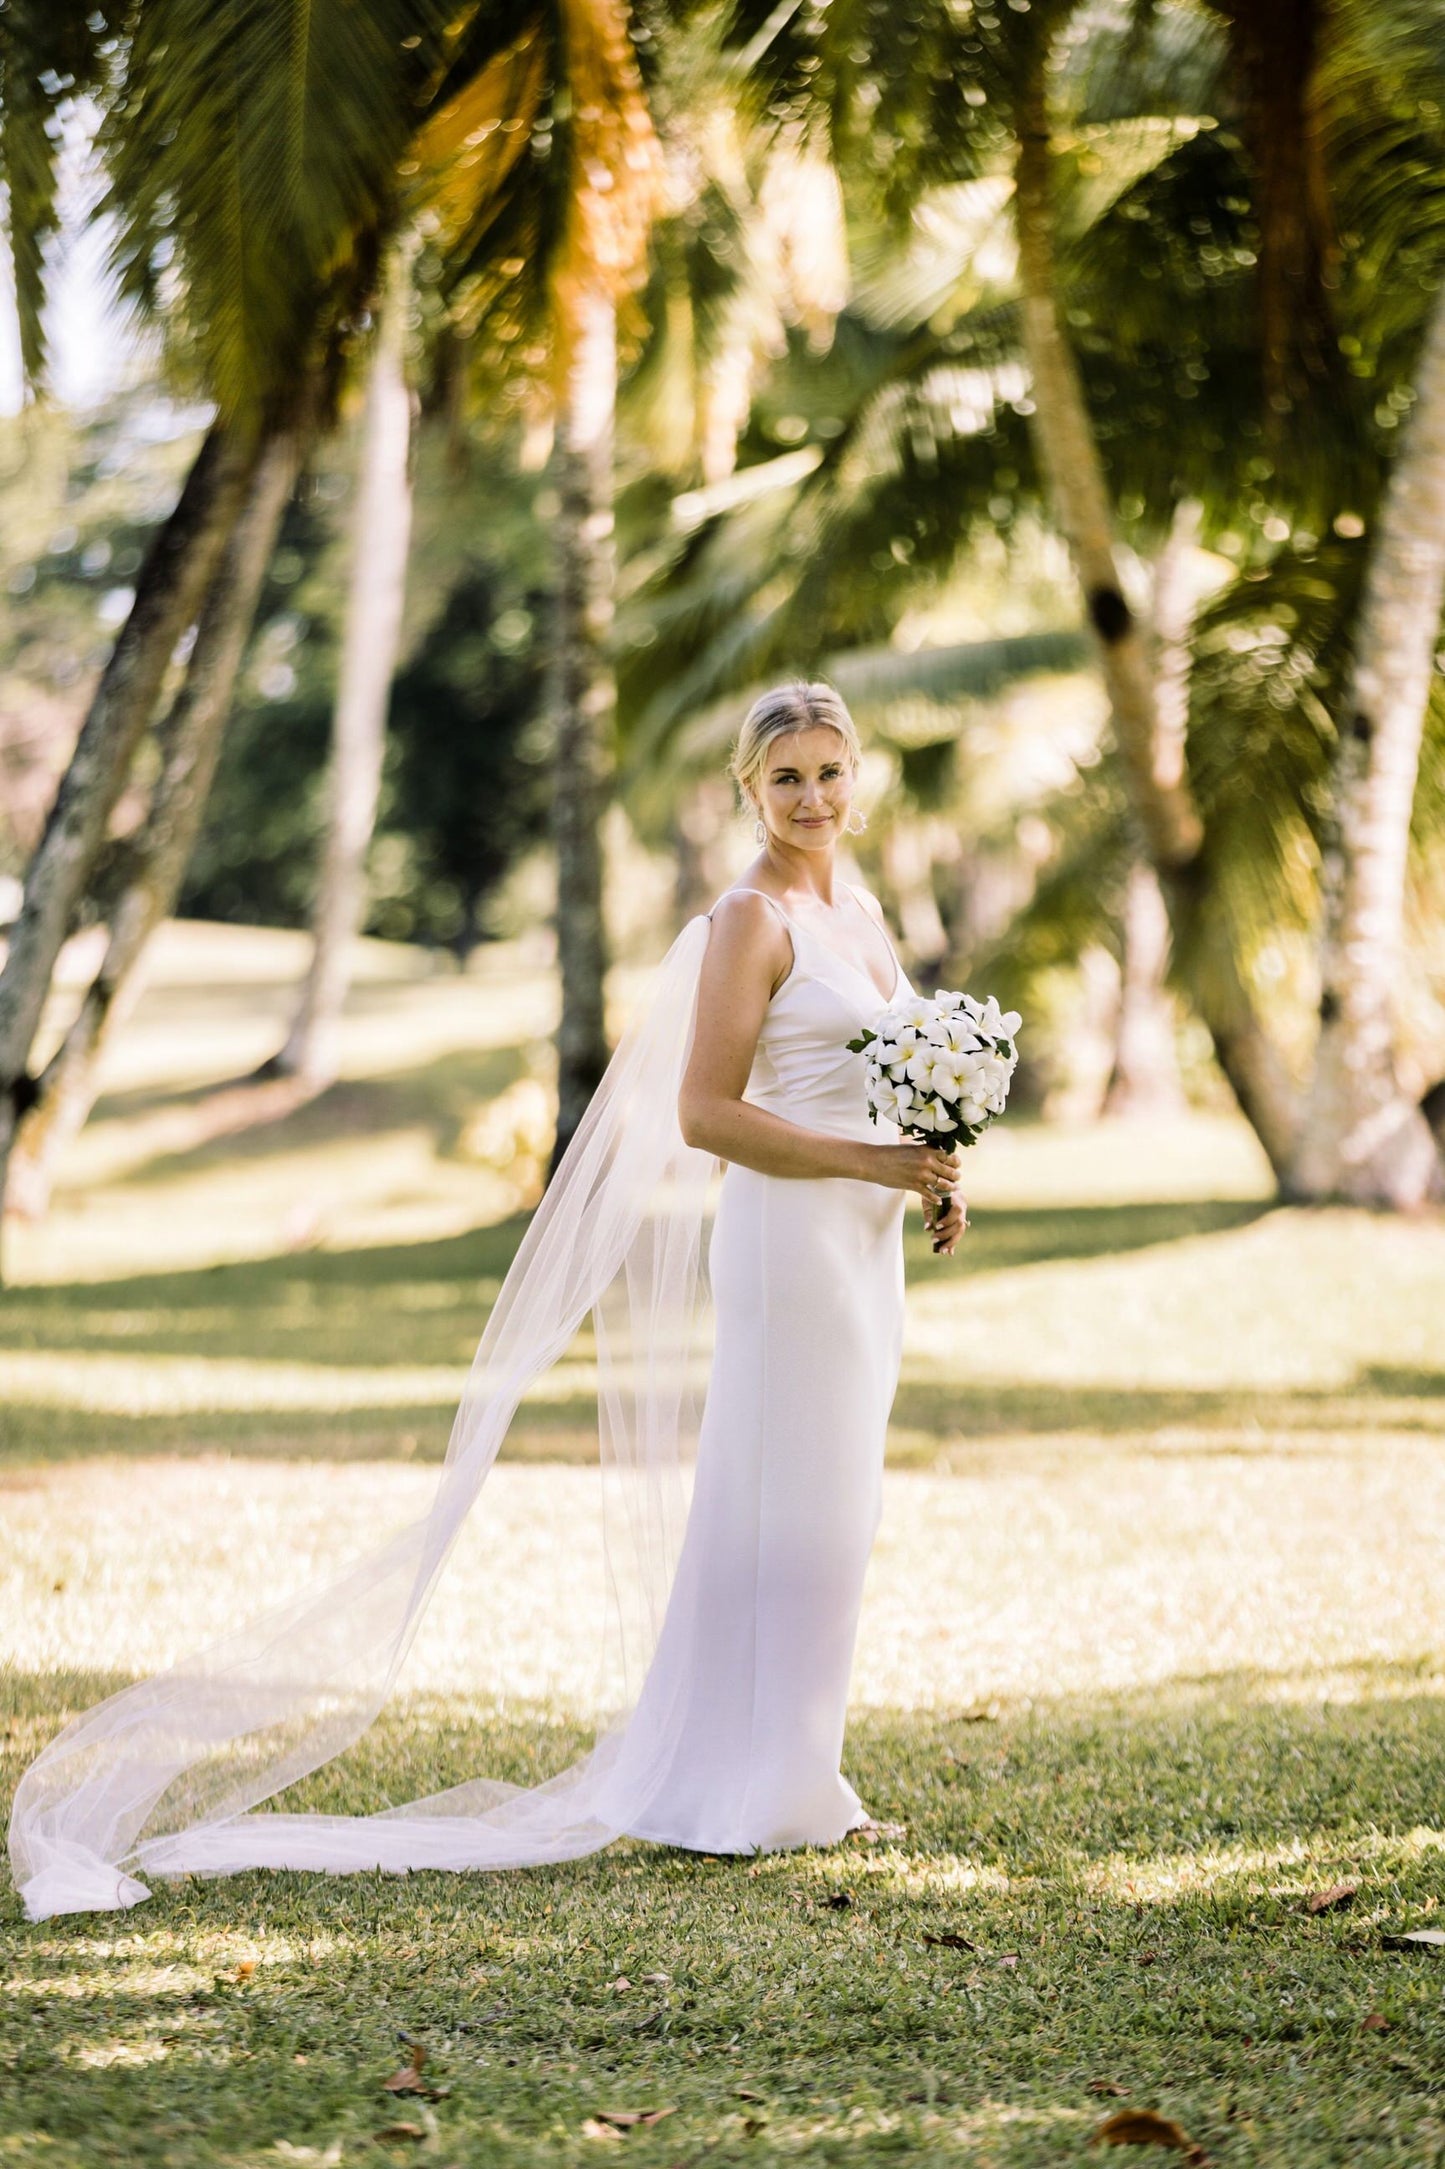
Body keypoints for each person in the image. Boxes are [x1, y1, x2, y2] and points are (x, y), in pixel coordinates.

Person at [8, 679, 965, 1921]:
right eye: (787, 777)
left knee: (837, 1510)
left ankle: (799, 1774)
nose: (813, 797)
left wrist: (931, 1169)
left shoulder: (863, 911)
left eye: (831, 771)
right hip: (788, 1239)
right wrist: (864, 1162)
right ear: (747, 789)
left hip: (866, 1237)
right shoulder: (748, 920)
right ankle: (751, 1791)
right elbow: (705, 1115)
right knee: (778, 1504)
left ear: (858, 775)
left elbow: (893, 1078)